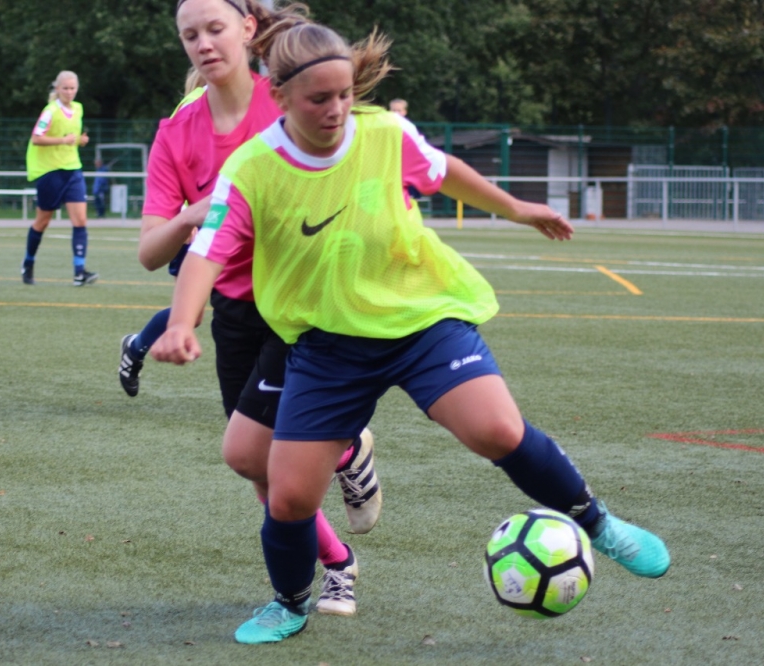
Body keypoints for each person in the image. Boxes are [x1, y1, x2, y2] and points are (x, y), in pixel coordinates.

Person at [151, 21, 671, 645]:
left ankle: (601, 526)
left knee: (498, 430)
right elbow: (206, 251)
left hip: (421, 322)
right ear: (280, 95)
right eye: (319, 99)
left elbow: (445, 171)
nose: (337, 110)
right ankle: (289, 604)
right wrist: (180, 323)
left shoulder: (384, 133)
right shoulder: (252, 167)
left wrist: (516, 208)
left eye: (345, 94)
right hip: (327, 347)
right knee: (288, 499)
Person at [122, 0, 384, 618]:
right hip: (236, 309)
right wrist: (192, 215)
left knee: (261, 452)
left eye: (215, 28)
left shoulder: (291, 99)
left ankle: (342, 453)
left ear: (247, 29)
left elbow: (354, 167)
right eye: (190, 34)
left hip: (305, 304)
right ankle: (339, 554)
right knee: (257, 467)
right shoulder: (175, 132)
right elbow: (150, 251)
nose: (203, 43)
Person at [20, 70, 98, 287]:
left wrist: (79, 140)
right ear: (57, 88)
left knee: (80, 221)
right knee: (43, 221)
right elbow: (36, 138)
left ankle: (80, 272)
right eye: (65, 88)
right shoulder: (50, 111)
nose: (69, 92)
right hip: (51, 172)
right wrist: (63, 141)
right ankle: (28, 263)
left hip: (73, 170)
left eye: (73, 88)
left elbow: (71, 138)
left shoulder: (78, 108)